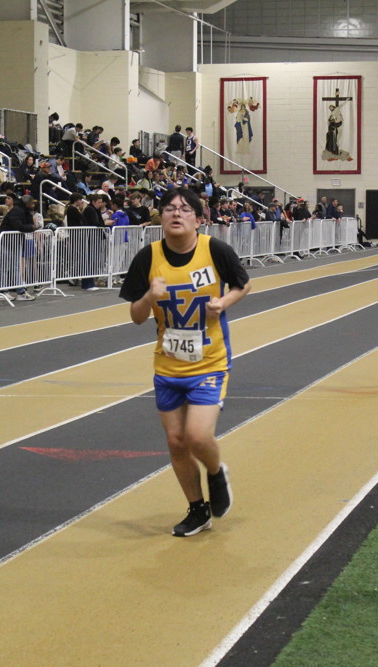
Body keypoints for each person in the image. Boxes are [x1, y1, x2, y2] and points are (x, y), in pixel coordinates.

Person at [118, 187, 252, 537]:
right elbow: (136, 317)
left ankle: (215, 472)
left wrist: (223, 303)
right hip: (167, 365)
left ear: (198, 218)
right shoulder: (148, 258)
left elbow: (243, 284)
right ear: (160, 217)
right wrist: (149, 296)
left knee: (197, 436)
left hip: (209, 362)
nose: (176, 214)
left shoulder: (214, 250)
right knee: (177, 442)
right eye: (169, 208)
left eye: (184, 209)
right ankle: (197, 509)